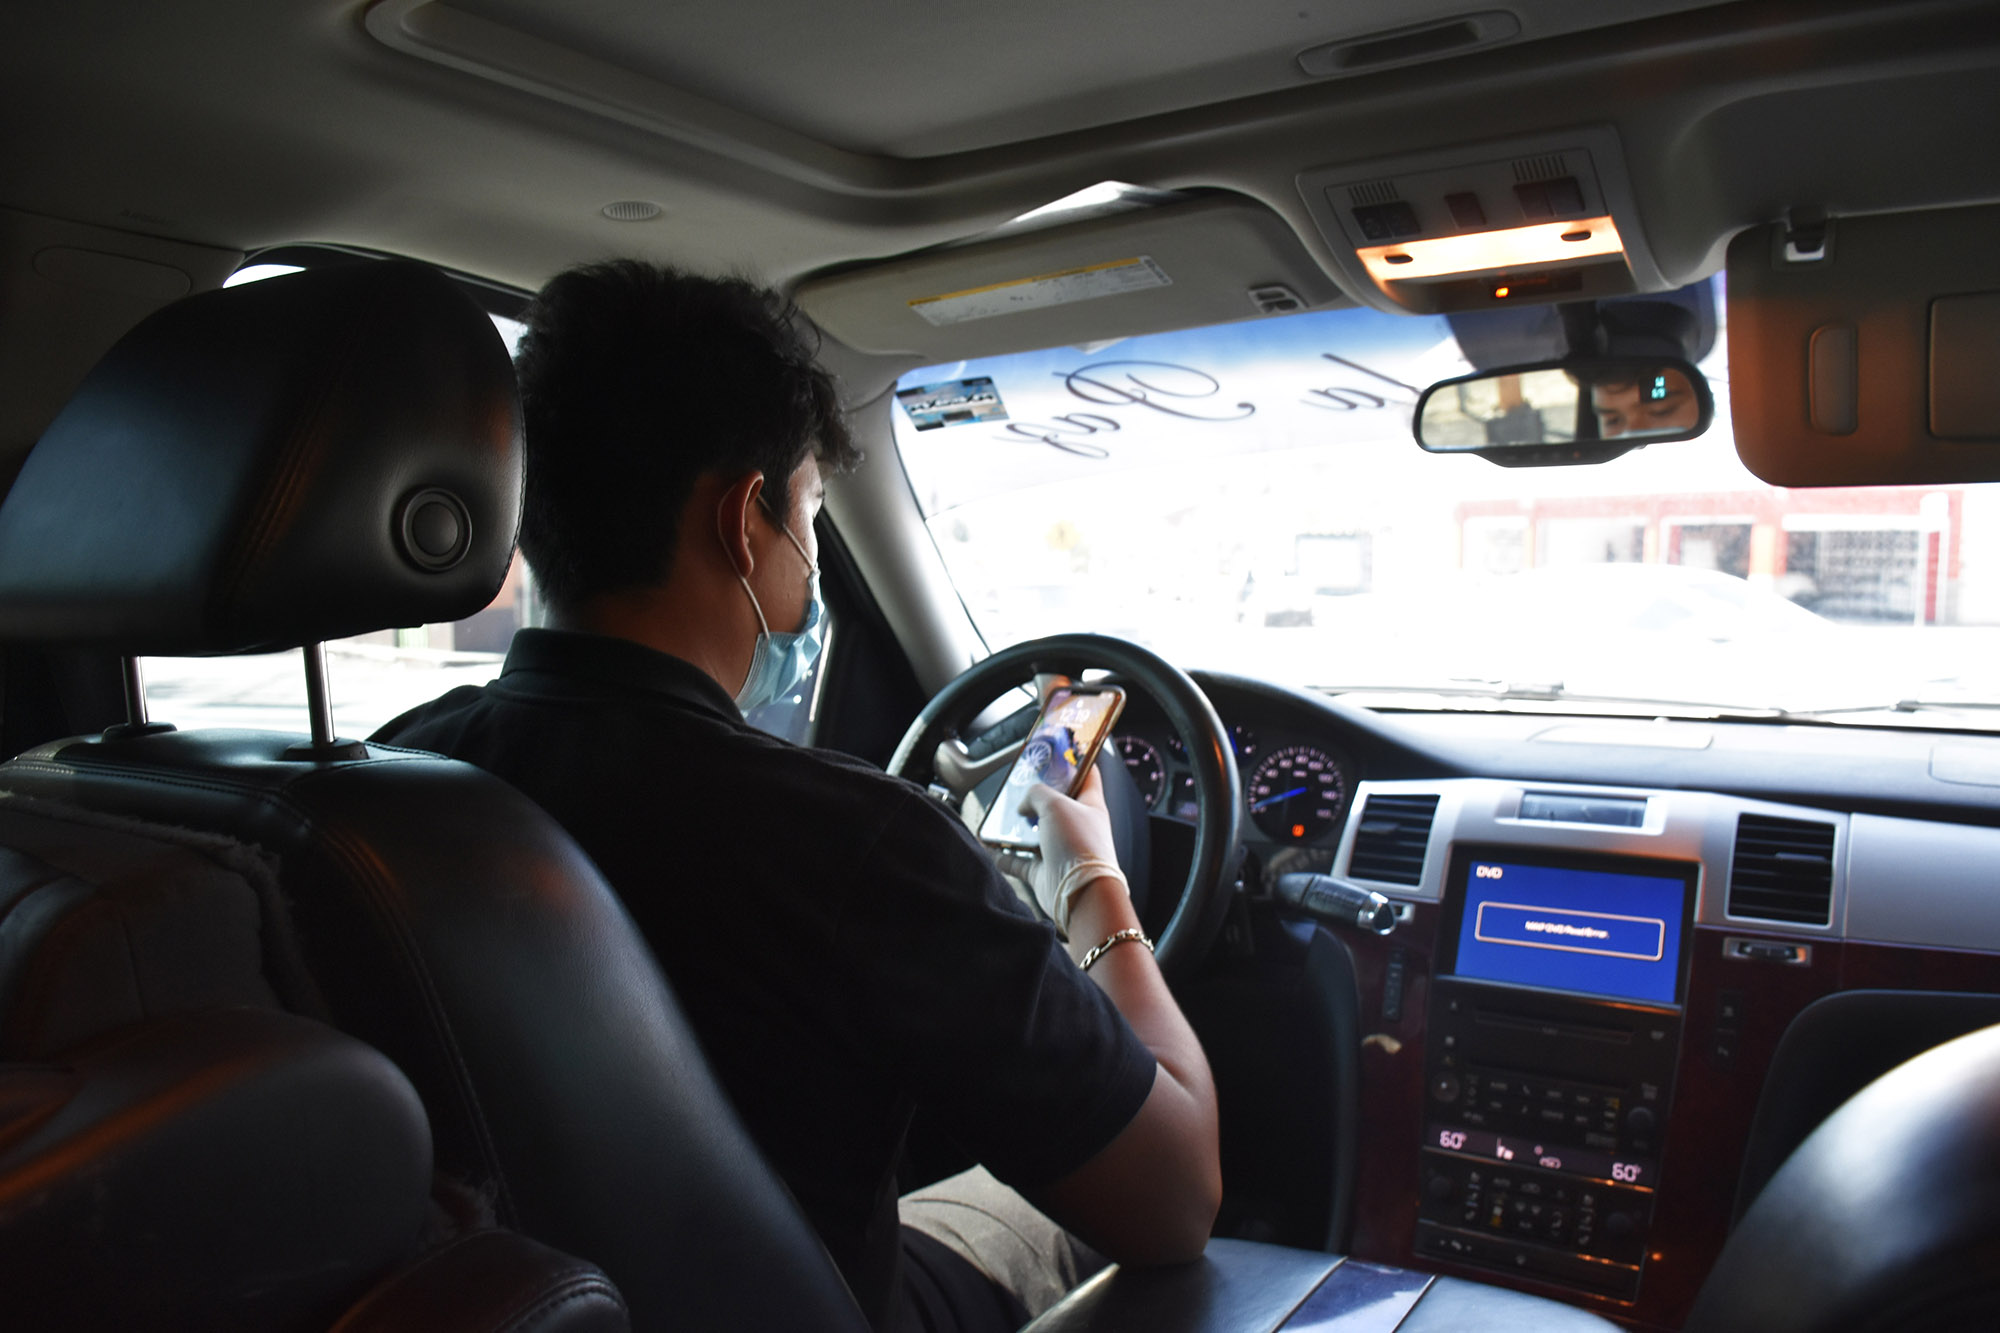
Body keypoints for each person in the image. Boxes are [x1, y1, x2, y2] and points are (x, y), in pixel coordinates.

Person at [373, 260, 1221, 1333]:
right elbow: (1176, 1195)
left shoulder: (398, 780)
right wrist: (1093, 882)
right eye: (812, 512)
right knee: (1049, 1214)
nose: (809, 557)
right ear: (742, 522)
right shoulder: (853, 844)